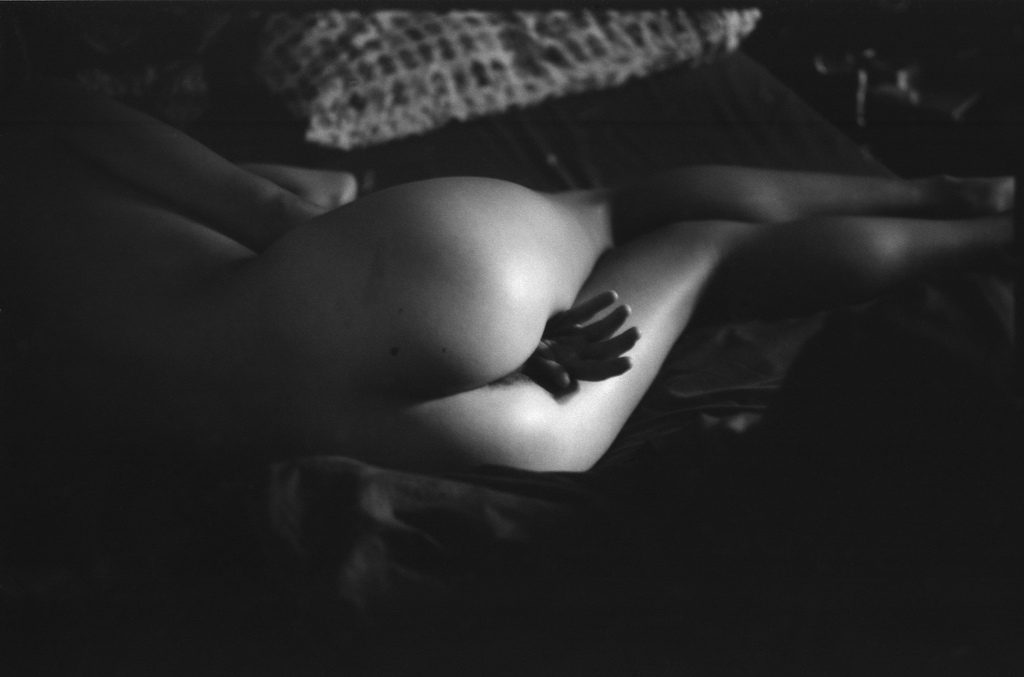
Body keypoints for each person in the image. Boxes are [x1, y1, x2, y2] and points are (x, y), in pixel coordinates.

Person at [1, 81, 1014, 472]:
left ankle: (986, 241)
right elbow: (292, 201)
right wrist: (290, 213)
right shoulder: (34, 149)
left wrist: (510, 361)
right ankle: (959, 202)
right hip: (397, 283)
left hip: (374, 427)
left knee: (707, 255)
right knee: (622, 209)